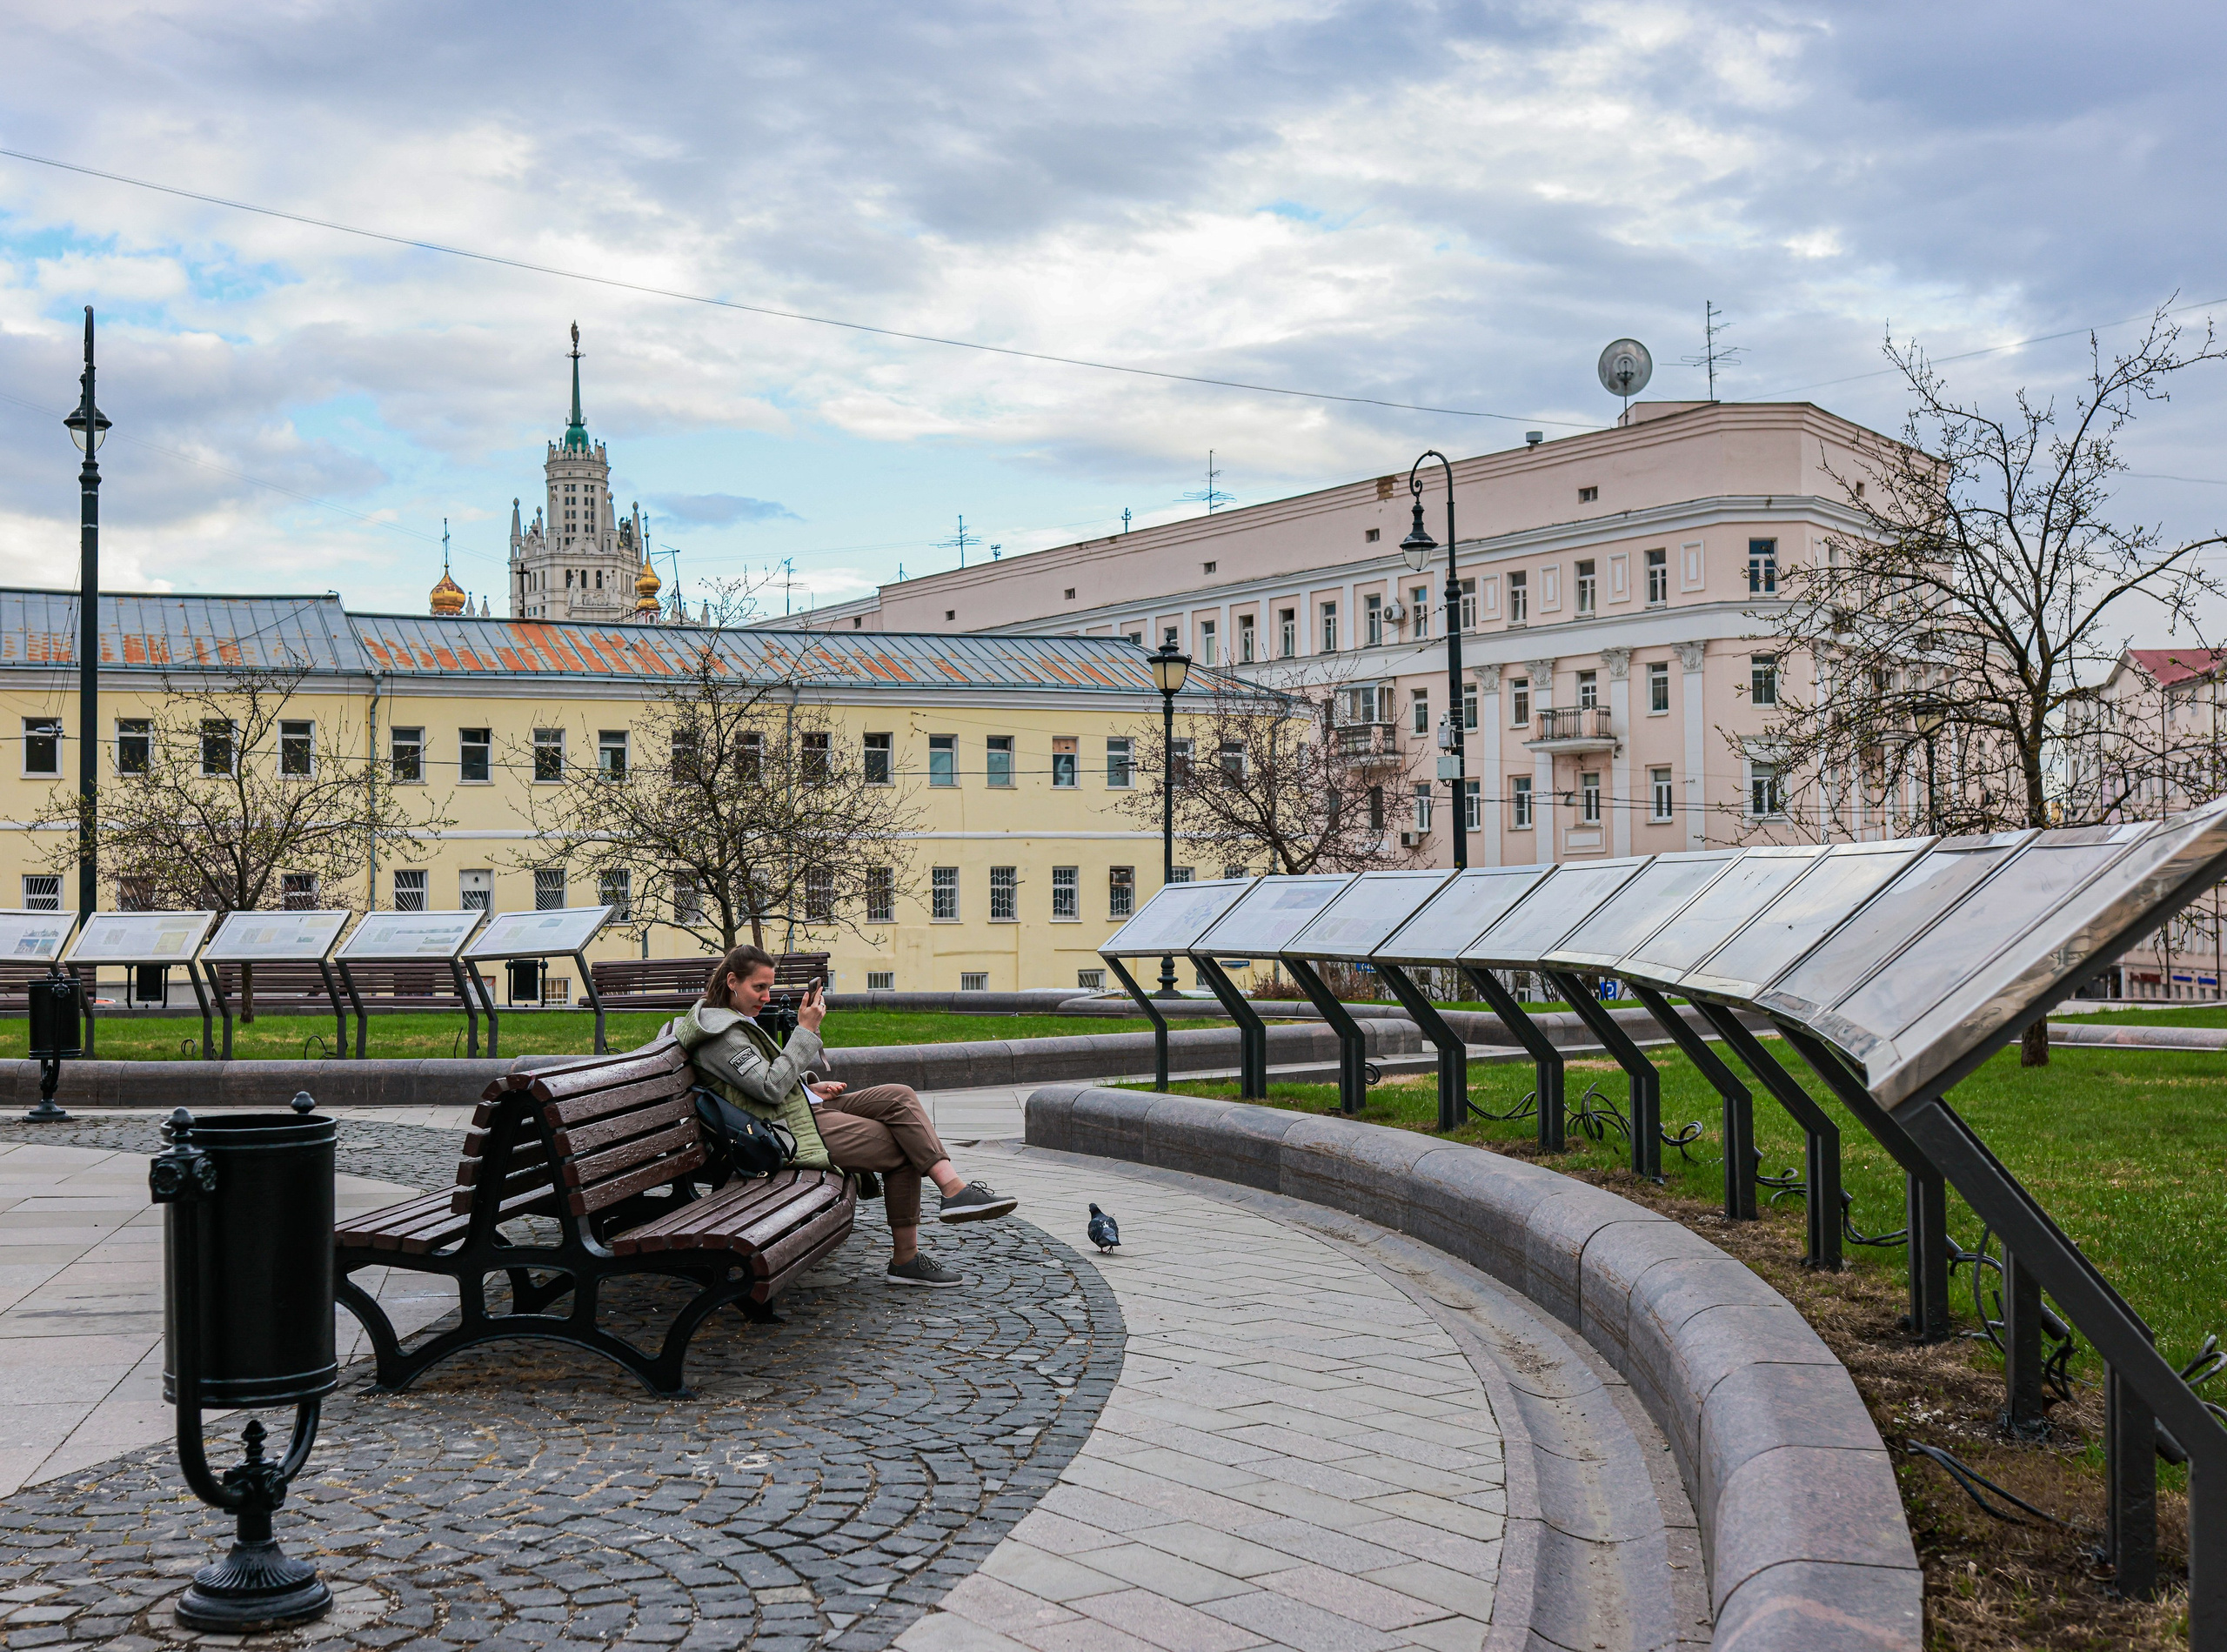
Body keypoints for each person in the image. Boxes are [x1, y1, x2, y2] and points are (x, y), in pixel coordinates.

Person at [671, 943, 1017, 1287]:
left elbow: (762, 1083)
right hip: (783, 1130)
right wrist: (804, 1032)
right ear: (732, 981)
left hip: (797, 1108)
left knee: (899, 1096)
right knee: (903, 1148)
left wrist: (808, 1087)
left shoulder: (731, 1022)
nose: (766, 996)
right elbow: (770, 1088)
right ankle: (906, 1260)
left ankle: (954, 1190)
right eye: (758, 987)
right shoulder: (720, 1035)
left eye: (769, 988)